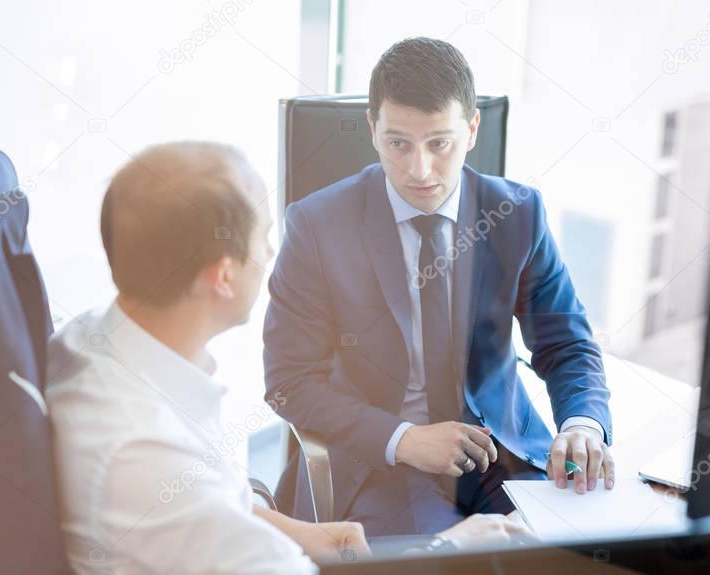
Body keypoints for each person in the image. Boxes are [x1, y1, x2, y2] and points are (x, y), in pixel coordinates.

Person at [46, 142, 531, 574]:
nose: (272, 251)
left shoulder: (94, 338)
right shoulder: (147, 454)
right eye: (262, 240)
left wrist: (301, 533)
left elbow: (212, 507)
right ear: (223, 277)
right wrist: (448, 550)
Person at [264, 37, 614, 538]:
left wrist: (583, 423)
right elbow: (289, 381)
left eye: (439, 143)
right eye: (398, 143)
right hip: (381, 466)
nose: (419, 170)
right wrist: (403, 438)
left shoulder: (517, 214)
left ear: (471, 130)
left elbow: (567, 343)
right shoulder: (317, 226)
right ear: (372, 129)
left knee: (569, 554)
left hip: (504, 454)